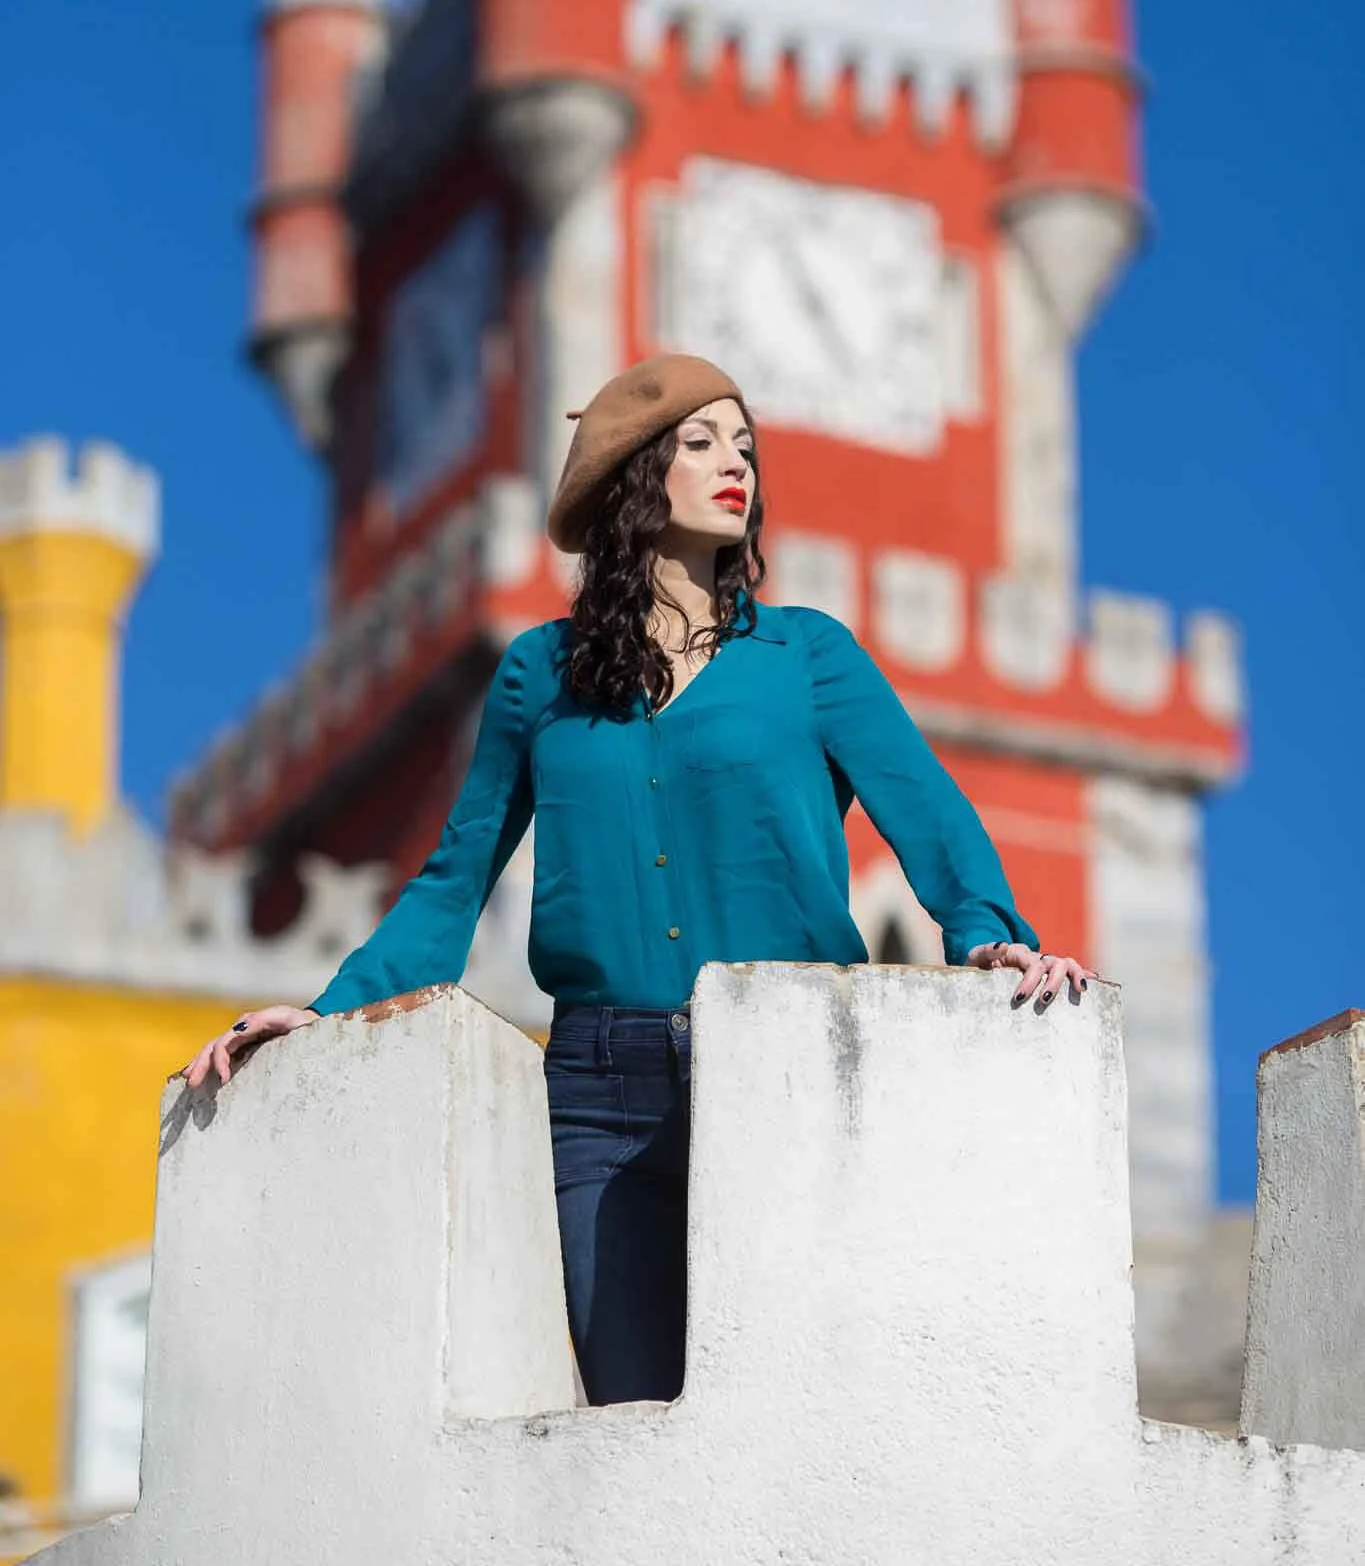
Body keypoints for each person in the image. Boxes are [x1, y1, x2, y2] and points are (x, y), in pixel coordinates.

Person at [179, 353, 1091, 1405]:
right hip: (598, 1094)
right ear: (631, 475)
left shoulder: (807, 655)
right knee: (632, 1415)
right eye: (699, 442)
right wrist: (330, 1013)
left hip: (782, 1066)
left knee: (790, 1402)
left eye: (744, 443)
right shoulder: (538, 674)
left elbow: (928, 812)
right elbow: (452, 874)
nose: (733, 462)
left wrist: (986, 933)